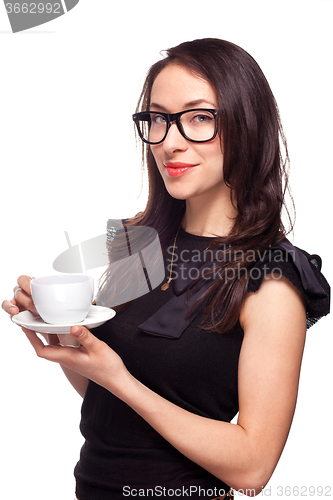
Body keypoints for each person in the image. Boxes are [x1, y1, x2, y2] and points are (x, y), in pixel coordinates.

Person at [2, 38, 330, 500]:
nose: (170, 142)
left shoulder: (271, 277)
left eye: (199, 118)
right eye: (158, 119)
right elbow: (115, 403)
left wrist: (117, 377)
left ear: (247, 125)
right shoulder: (139, 241)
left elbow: (254, 468)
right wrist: (62, 331)